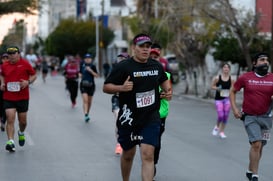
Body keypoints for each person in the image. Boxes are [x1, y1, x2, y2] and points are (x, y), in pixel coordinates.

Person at [103, 33, 172, 181]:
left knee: (148, 155)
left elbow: (166, 84)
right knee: (128, 155)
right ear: (134, 48)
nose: (146, 50)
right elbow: (106, 87)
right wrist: (121, 88)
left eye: (148, 47)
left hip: (150, 118)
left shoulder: (156, 66)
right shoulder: (123, 67)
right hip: (129, 119)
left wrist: (168, 92)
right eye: (142, 47)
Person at [230, 52, 273, 181]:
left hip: (267, 117)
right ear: (254, 63)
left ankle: (250, 169)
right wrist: (235, 109)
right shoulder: (246, 77)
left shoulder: (272, 78)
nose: (265, 62)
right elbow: (233, 91)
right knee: (256, 144)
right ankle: (255, 175)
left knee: (260, 146)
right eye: (262, 60)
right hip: (250, 116)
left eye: (266, 60)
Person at [0, 46, 37, 152]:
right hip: (8, 97)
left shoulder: (25, 64)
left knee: (23, 122)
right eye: (9, 54)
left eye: (13, 53)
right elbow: (2, 75)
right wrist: (2, 83)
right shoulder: (5, 65)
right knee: (10, 119)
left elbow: (34, 75)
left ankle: (21, 132)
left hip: (22, 97)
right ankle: (10, 142)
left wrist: (27, 82)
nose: (11, 56)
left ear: (18, 54)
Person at [149, 48, 172, 178]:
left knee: (156, 142)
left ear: (159, 60)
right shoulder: (141, 74)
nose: (153, 59)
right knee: (147, 143)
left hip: (160, 113)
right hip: (144, 114)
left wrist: (164, 95)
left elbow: (170, 96)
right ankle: (149, 164)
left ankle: (152, 163)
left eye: (156, 57)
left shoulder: (166, 76)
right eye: (151, 57)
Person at [111, 52, 130, 155]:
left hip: (129, 100)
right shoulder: (115, 71)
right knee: (118, 118)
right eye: (119, 59)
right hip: (117, 99)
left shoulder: (132, 71)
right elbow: (108, 86)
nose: (121, 61)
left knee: (128, 123)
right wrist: (118, 88)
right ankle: (119, 143)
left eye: (123, 59)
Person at [211, 63, 234, 139]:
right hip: (219, 99)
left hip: (227, 99)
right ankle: (217, 126)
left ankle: (222, 131)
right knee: (221, 115)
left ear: (229, 69)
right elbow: (212, 86)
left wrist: (230, 92)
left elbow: (233, 89)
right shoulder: (217, 78)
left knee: (225, 116)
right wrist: (217, 88)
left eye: (227, 67)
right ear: (222, 69)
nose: (226, 69)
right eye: (224, 67)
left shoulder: (231, 79)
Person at [79, 53, 99, 122]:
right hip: (83, 85)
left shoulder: (93, 66)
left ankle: (87, 113)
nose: (87, 59)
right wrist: (80, 74)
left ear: (91, 59)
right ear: (84, 59)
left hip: (91, 85)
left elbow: (97, 75)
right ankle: (86, 114)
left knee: (89, 102)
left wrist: (90, 71)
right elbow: (80, 73)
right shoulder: (82, 65)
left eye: (89, 58)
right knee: (85, 100)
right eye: (86, 58)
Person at [0, 53, 9, 131]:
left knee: (6, 107)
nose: (5, 60)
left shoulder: (11, 67)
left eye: (7, 58)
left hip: (8, 90)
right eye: (4, 58)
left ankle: (3, 121)